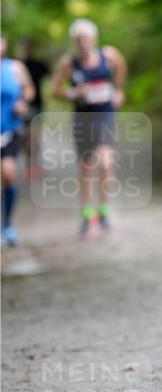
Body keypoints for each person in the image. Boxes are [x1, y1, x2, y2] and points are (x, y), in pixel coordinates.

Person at [51, 19, 127, 239]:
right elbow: (55, 90)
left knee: (106, 162)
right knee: (87, 167)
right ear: (75, 40)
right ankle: (86, 215)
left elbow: (122, 67)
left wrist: (119, 91)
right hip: (83, 118)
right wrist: (74, 94)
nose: (83, 41)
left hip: (105, 115)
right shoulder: (69, 63)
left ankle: (103, 210)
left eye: (87, 37)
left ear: (94, 38)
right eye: (79, 38)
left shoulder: (109, 55)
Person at [1, 36, 35, 247]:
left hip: (9, 130)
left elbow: (29, 89)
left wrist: (23, 101)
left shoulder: (15, 67)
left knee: (8, 172)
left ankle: (7, 224)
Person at [17, 37, 50, 179]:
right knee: (24, 139)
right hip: (18, 107)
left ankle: (32, 166)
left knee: (34, 137)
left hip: (36, 105)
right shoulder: (15, 64)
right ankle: (28, 165)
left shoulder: (38, 64)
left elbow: (50, 76)